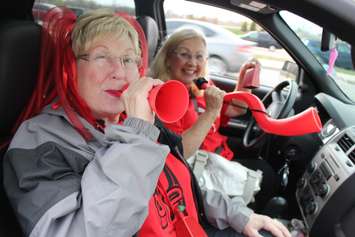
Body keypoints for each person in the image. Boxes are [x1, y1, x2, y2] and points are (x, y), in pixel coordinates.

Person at [3, 8, 290, 237]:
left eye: (129, 59)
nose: (120, 72)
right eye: (103, 57)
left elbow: (177, 184)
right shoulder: (40, 141)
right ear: (70, 68)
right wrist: (136, 138)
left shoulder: (131, 117)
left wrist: (238, 214)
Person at [150, 28, 279, 211]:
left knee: (266, 169)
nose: (192, 63)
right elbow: (177, 153)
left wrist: (243, 81)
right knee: (268, 177)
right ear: (168, 59)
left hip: (220, 158)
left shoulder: (200, 84)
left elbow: (234, 110)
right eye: (184, 55)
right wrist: (210, 112)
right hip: (200, 171)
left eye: (199, 56)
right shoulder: (166, 95)